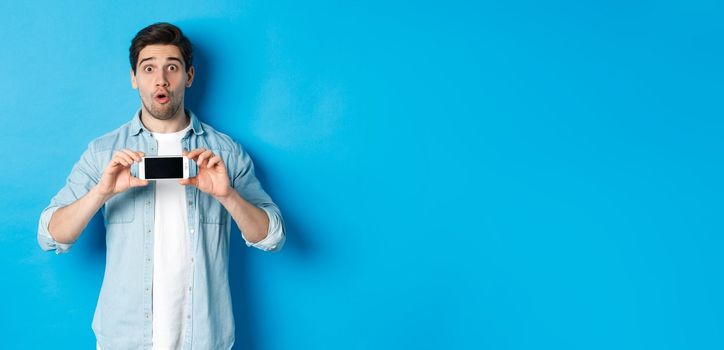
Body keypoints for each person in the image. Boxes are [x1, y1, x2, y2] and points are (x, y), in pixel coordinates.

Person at [37, 22, 285, 349]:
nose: (161, 79)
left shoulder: (225, 152)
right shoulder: (103, 153)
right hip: (124, 339)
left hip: (204, 338)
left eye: (172, 67)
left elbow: (272, 236)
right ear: (134, 78)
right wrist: (102, 192)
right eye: (149, 67)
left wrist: (227, 195)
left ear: (189, 76)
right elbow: (51, 235)